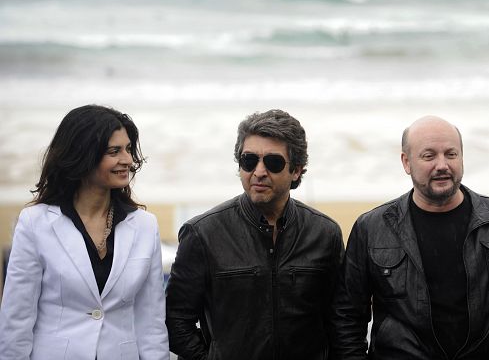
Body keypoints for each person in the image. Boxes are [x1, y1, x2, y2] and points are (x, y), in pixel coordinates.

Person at [332, 115, 489, 360]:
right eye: (429, 156)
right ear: (406, 162)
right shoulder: (371, 228)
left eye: (451, 154)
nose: (442, 164)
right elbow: (348, 317)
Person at [166, 109, 343, 360]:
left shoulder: (325, 234)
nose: (259, 171)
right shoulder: (202, 233)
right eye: (249, 161)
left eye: (273, 162)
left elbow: (341, 320)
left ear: (296, 170)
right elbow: (176, 320)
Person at [0, 105, 169, 360]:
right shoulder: (35, 223)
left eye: (128, 149)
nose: (128, 160)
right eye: (115, 151)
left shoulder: (145, 226)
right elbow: (17, 319)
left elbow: (151, 321)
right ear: (83, 155)